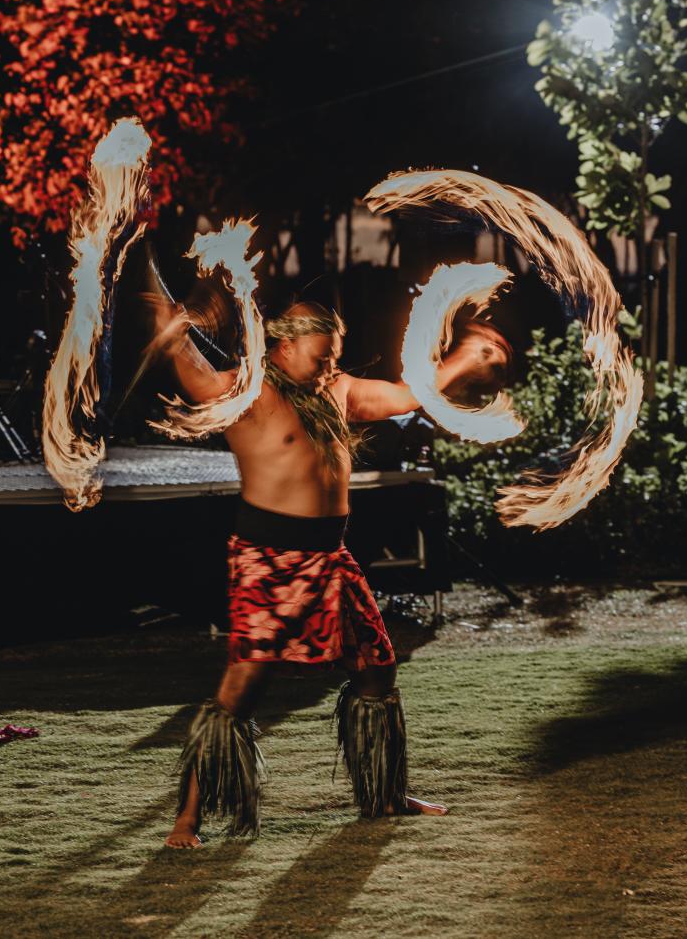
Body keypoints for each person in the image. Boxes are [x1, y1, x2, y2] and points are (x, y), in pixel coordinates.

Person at [149, 298, 511, 848]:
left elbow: (408, 395)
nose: (327, 370)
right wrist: (172, 334)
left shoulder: (337, 390)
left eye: (333, 359)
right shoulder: (248, 393)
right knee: (240, 690)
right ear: (285, 347)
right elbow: (195, 375)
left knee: (376, 670)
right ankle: (187, 820)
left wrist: (462, 359)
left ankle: (385, 793)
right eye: (319, 359)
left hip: (331, 561)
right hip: (269, 562)